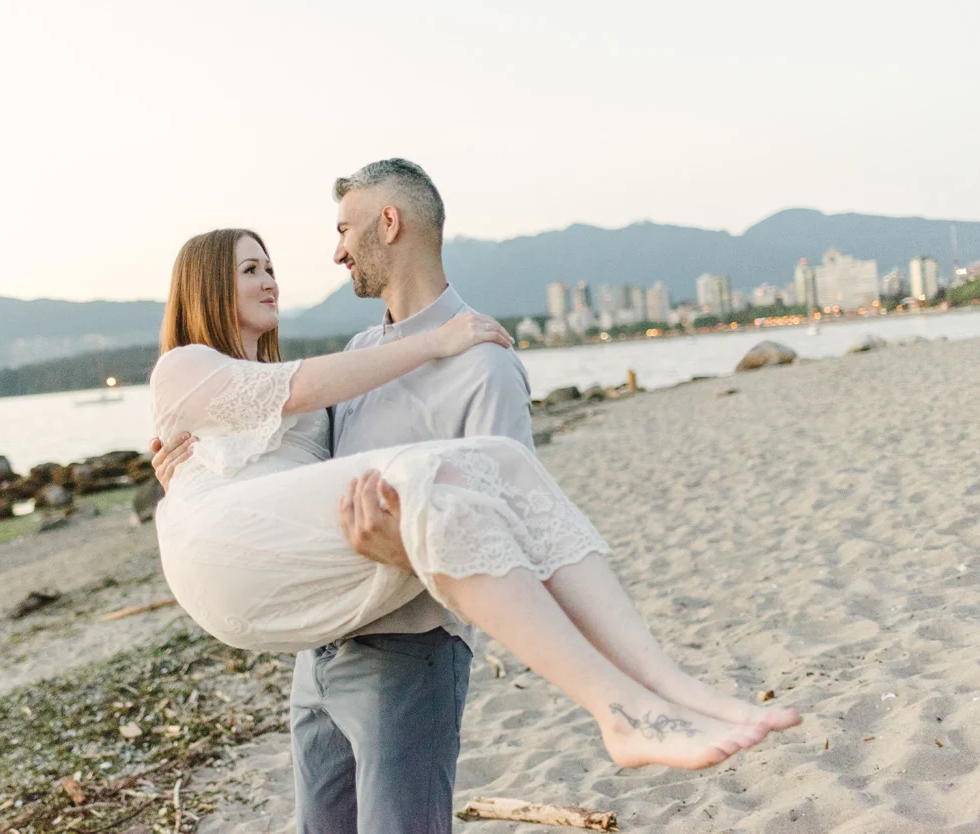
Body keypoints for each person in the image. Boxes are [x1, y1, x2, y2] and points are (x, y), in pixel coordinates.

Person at [149, 162, 800, 833]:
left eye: (344, 228)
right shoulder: (352, 357)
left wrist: (402, 547)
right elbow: (296, 449)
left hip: (409, 648)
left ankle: (653, 692)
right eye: (250, 269)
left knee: (494, 469)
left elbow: (504, 529)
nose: (333, 251)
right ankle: (629, 703)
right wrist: (194, 476)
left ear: (389, 223)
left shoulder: (483, 359)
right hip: (322, 645)